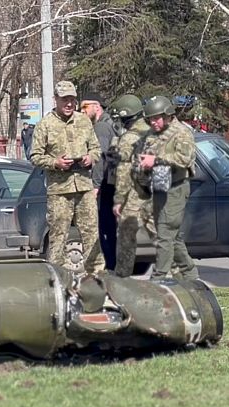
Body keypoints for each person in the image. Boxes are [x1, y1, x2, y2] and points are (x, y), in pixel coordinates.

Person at [29, 80, 103, 273]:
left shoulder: (84, 121)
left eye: (72, 99)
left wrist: (90, 158)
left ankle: (96, 276)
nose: (69, 104)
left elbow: (96, 148)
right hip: (60, 190)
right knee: (58, 236)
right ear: (56, 100)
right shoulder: (45, 125)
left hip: (84, 187)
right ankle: (57, 278)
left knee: (91, 234)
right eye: (64, 100)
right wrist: (55, 163)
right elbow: (35, 156)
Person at [137, 96, 199, 281]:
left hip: (177, 188)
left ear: (167, 115)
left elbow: (184, 159)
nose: (153, 122)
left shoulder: (181, 133)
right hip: (159, 188)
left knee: (165, 234)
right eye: (150, 119)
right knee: (174, 237)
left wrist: (155, 160)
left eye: (156, 118)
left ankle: (158, 278)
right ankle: (190, 275)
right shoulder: (152, 134)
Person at [110, 94, 156, 277]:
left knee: (126, 236)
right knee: (162, 236)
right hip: (157, 191)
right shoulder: (154, 132)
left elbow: (122, 171)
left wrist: (119, 199)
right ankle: (178, 274)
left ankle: (122, 276)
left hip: (135, 194)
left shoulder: (128, 138)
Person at [81, 92, 119, 271]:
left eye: (85, 107)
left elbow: (100, 158)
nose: (82, 111)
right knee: (109, 229)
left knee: (105, 230)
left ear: (97, 107)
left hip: (106, 186)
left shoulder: (101, 127)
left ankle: (110, 268)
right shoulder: (109, 124)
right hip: (111, 184)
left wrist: (95, 185)